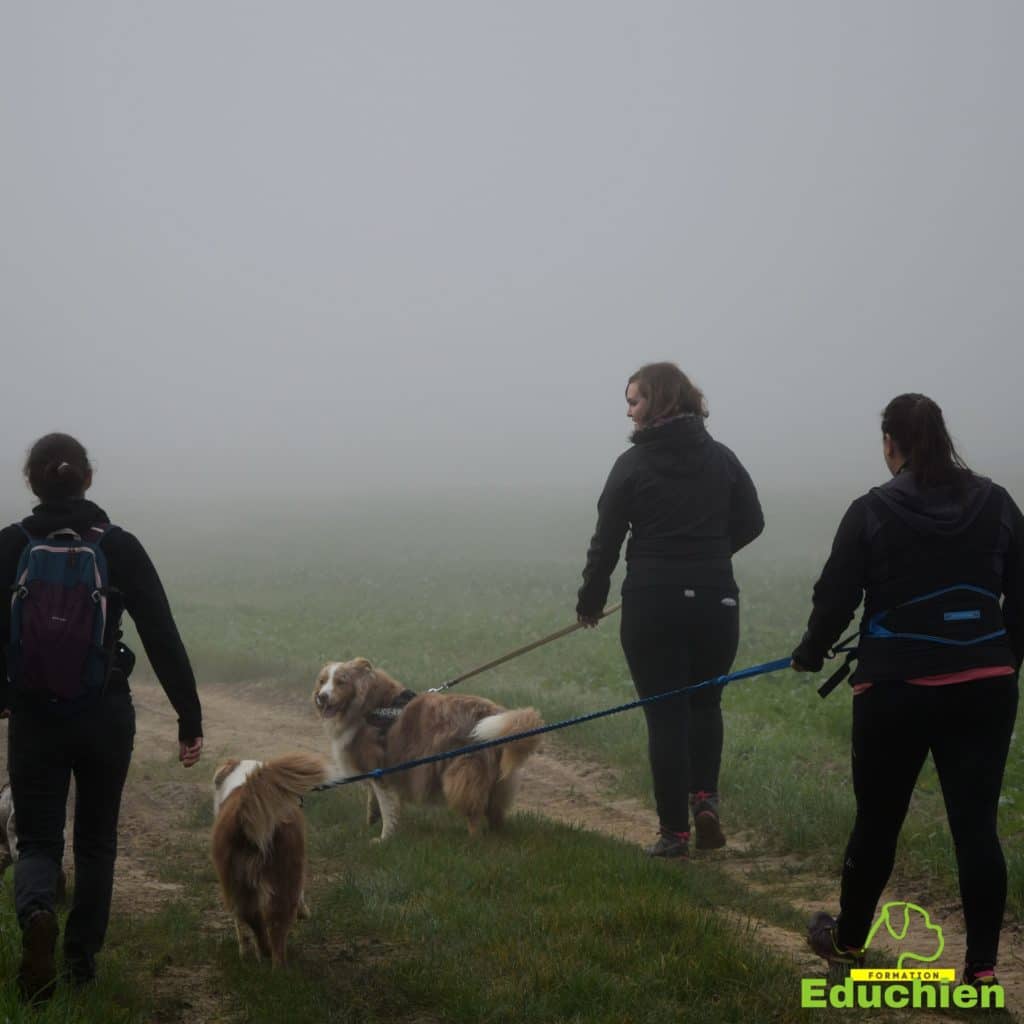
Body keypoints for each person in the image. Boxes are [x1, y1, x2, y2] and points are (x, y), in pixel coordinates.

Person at [792, 394, 1023, 987]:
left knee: (878, 821)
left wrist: (812, 652)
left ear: (890, 444)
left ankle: (847, 943)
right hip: (985, 688)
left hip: (893, 687)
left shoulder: (871, 510)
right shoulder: (998, 503)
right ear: (943, 438)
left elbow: (834, 597)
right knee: (976, 829)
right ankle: (981, 970)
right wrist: (1002, 661)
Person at [0, 433, 204, 1001]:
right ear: (87, 478)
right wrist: (188, 716)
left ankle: (37, 912)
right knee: (95, 841)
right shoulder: (118, 545)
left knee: (39, 841)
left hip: (36, 714)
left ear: (31, 482)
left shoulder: (9, 544)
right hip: (104, 713)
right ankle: (79, 964)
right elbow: (161, 633)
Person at [576, 362, 764, 858]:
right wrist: (710, 557)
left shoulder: (631, 466)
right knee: (705, 704)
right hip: (716, 601)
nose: (629, 411)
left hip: (652, 603)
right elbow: (754, 520)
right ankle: (705, 801)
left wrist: (591, 602)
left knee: (665, 717)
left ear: (658, 402)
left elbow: (606, 542)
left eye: (635, 400)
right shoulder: (722, 459)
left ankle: (674, 834)